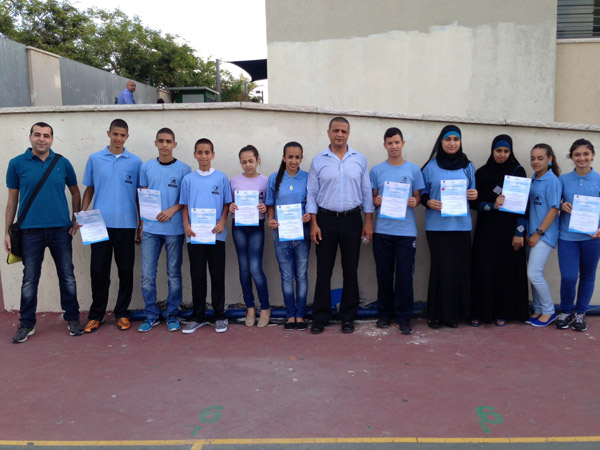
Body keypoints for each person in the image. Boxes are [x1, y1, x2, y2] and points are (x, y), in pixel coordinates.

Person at [5, 122, 83, 342]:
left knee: (67, 277)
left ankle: (73, 318)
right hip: (30, 232)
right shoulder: (16, 164)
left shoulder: (62, 163)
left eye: (46, 136)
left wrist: (75, 219)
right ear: (30, 137)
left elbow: (75, 193)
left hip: (61, 230)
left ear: (52, 139)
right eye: (37, 135)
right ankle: (27, 324)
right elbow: (12, 200)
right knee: (30, 279)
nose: (42, 139)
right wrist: (7, 232)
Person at [307, 117, 374, 334]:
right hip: (325, 220)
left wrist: (368, 221)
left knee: (350, 269)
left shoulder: (359, 159)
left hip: (352, 220)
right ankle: (321, 316)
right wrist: (314, 223)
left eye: (344, 131)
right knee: (323, 270)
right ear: (328, 133)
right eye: (336, 130)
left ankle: (348, 316)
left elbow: (366, 192)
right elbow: (312, 194)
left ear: (348, 134)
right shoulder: (318, 161)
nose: (339, 134)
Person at [82, 119, 142, 333]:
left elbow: (139, 195)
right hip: (98, 224)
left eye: (122, 135)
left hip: (126, 224)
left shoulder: (135, 162)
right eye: (115, 134)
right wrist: (82, 213)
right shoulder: (95, 159)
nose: (118, 138)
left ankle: (122, 313)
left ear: (127, 137)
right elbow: (89, 189)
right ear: (108, 133)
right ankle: (96, 315)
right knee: (98, 271)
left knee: (125, 271)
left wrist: (141, 224)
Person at [420, 124, 478, 328]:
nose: (452, 143)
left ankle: (456, 315)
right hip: (437, 228)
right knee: (441, 270)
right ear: (441, 142)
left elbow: (473, 192)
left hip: (461, 226)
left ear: (460, 142)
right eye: (448, 139)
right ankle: (437, 315)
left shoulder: (468, 166)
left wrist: (474, 194)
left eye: (456, 139)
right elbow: (421, 193)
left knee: (460, 270)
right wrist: (428, 202)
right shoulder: (430, 166)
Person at [469, 135, 529, 326]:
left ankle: (503, 312)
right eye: (498, 150)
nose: (502, 155)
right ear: (492, 150)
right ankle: (481, 312)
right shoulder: (481, 173)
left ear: (510, 152)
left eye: (506, 151)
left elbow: (524, 206)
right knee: (484, 269)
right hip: (487, 231)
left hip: (509, 231)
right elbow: (474, 203)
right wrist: (492, 205)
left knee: (506, 271)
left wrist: (519, 232)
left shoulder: (518, 171)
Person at [370, 127, 424, 335]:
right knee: (383, 274)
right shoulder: (376, 170)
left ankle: (404, 317)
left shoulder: (413, 170)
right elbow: (372, 198)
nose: (394, 146)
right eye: (390, 143)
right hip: (383, 230)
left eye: (397, 142)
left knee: (404, 276)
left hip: (406, 232)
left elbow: (418, 197)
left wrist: (415, 201)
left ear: (403, 144)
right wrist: (376, 201)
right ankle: (384, 313)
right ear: (384, 145)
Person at [137, 128, 191, 333]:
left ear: (175, 144)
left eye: (168, 141)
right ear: (156, 143)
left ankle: (172, 314)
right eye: (161, 141)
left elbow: (186, 199)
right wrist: (142, 225)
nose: (165, 145)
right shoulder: (146, 167)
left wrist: (172, 210)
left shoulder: (184, 169)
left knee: (173, 274)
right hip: (150, 230)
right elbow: (143, 197)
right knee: (147, 275)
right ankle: (151, 314)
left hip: (174, 230)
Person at [180, 138, 232, 334]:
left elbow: (227, 204)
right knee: (197, 276)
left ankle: (219, 315)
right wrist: (186, 225)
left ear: (213, 155)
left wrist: (222, 222)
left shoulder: (221, 178)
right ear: (195, 154)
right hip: (195, 236)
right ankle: (198, 316)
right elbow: (184, 206)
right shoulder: (188, 180)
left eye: (207, 152)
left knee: (217, 275)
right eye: (200, 152)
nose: (204, 156)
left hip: (216, 236)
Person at [556, 139, 600, 332]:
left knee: (588, 275)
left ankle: (581, 313)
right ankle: (566, 311)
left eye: (586, 154)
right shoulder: (563, 180)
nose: (582, 158)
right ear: (572, 157)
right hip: (567, 237)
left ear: (592, 155)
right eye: (577, 154)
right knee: (569, 276)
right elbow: (554, 203)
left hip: (592, 237)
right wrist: (561, 205)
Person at [266, 141, 311, 331]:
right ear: (284, 158)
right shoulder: (274, 178)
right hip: (281, 235)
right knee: (286, 276)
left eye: (297, 157)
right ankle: (290, 315)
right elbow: (270, 204)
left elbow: (312, 203)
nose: (294, 161)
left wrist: (309, 215)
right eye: (290, 157)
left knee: (301, 275)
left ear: (301, 158)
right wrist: (271, 219)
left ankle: (300, 315)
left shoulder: (308, 178)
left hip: (302, 234)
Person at [229, 145, 270, 328]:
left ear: (257, 160)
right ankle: (250, 307)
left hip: (256, 227)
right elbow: (228, 204)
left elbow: (270, 205)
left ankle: (266, 307)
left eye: (251, 161)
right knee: (244, 268)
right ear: (240, 163)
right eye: (244, 162)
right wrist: (231, 206)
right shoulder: (234, 181)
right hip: (239, 227)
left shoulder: (265, 181)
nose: (248, 165)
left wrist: (265, 208)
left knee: (255, 267)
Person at [526, 143, 562, 327]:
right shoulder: (534, 178)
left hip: (544, 234)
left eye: (540, 158)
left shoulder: (552, 181)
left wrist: (538, 233)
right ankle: (538, 308)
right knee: (533, 274)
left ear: (550, 159)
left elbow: (554, 209)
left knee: (534, 273)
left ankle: (549, 311)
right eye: (533, 158)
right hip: (531, 233)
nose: (535, 162)